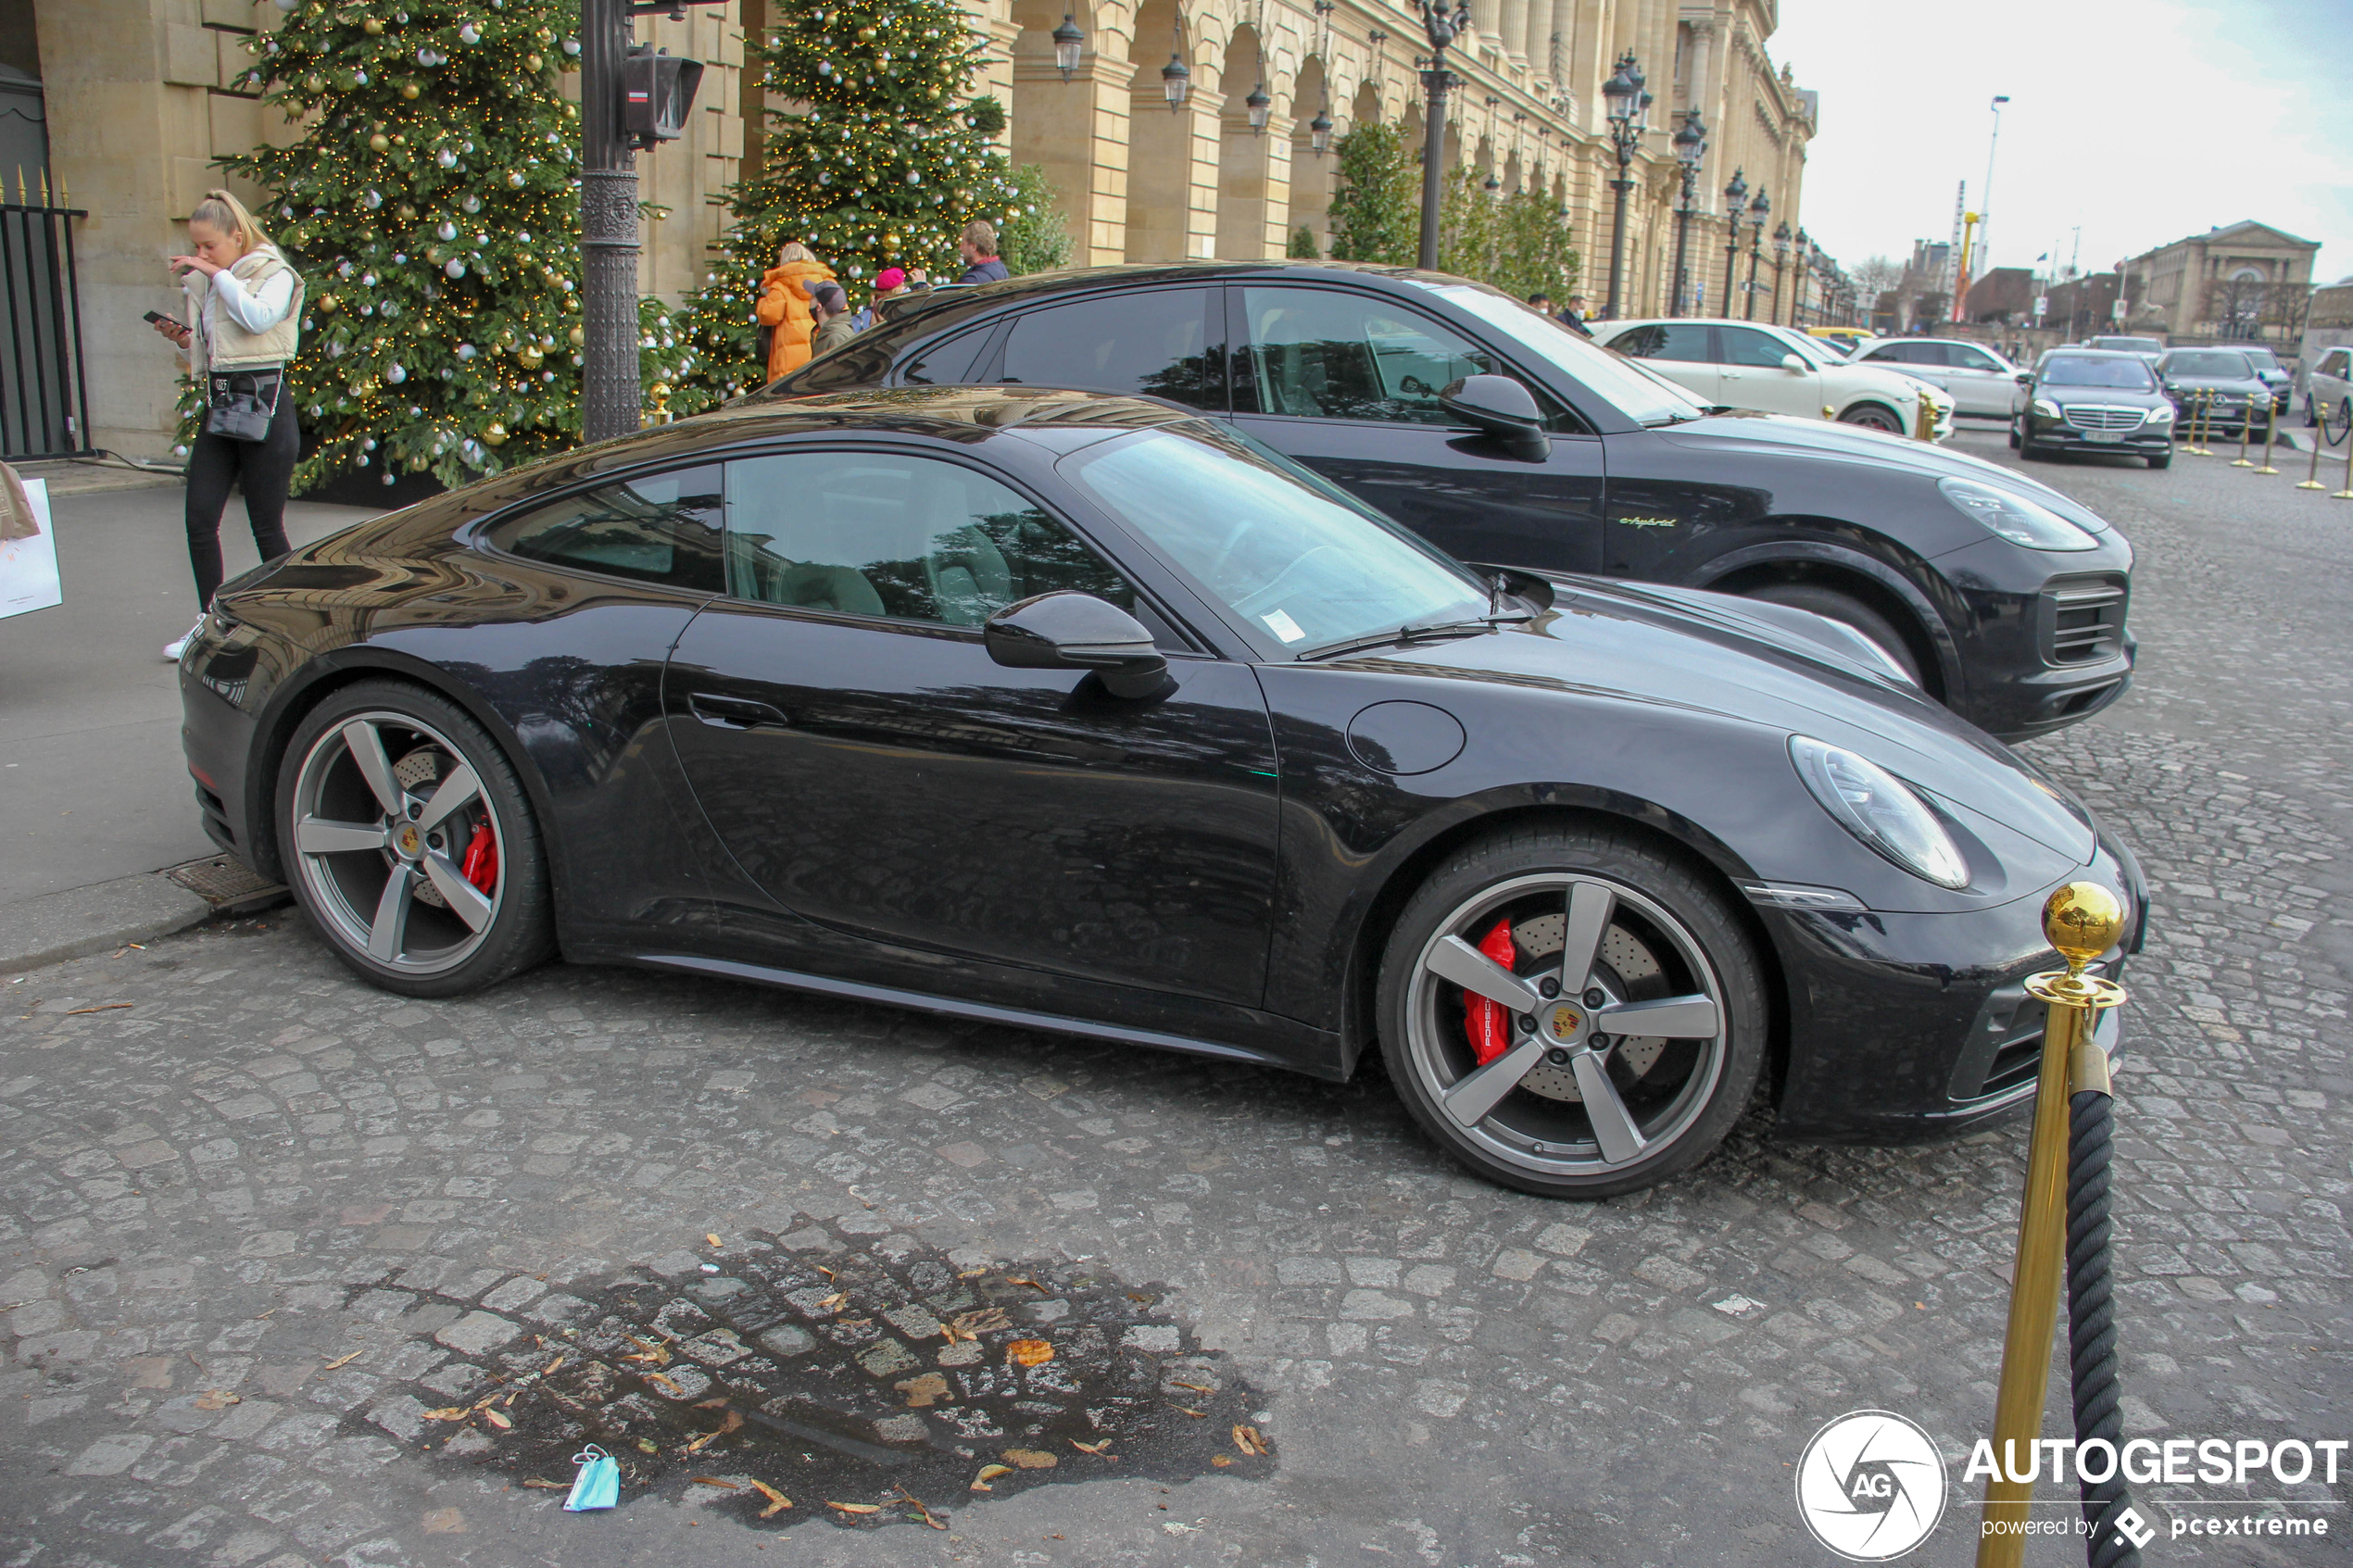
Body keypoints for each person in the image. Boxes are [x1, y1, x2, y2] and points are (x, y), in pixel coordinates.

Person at [151, 188, 306, 662]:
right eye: (196, 247)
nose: (200, 255)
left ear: (237, 237)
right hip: (222, 404)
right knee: (199, 518)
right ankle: (210, 623)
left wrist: (218, 276)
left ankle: (293, 625)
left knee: (266, 525)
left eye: (209, 246)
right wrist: (183, 340)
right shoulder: (211, 281)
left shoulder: (274, 273)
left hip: (266, 404)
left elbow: (259, 319)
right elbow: (219, 349)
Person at [754, 241, 836, 382]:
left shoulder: (780, 284)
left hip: (789, 356)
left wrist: (763, 301)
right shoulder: (826, 280)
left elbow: (769, 315)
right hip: (821, 345)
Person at [850, 266, 911, 332]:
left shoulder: (875, 306)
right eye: (903, 286)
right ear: (895, 290)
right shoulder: (892, 308)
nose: (905, 288)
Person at [808, 282, 858, 359]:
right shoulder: (827, 332)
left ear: (819, 307)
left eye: (812, 297)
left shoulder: (836, 338)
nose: (809, 301)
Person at [954, 220, 1009, 285]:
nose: (960, 248)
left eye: (963, 244)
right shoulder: (1001, 271)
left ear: (973, 247)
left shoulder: (971, 281)